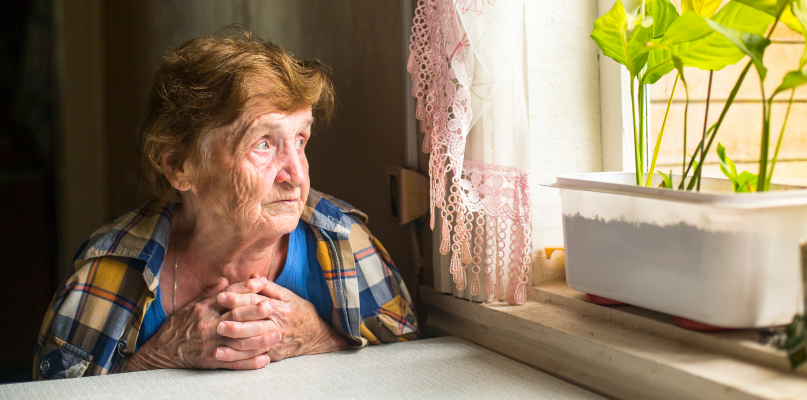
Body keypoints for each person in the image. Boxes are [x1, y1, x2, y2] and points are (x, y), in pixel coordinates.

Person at [33, 28, 417, 380]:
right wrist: (159, 355)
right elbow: (52, 391)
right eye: (263, 144)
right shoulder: (112, 266)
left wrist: (320, 338)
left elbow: (409, 373)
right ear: (179, 165)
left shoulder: (343, 240)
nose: (297, 175)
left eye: (300, 139)